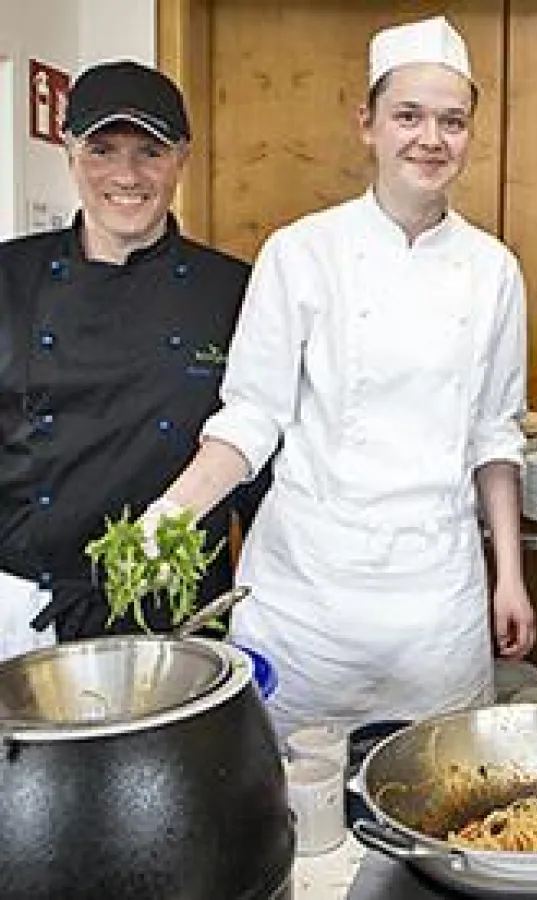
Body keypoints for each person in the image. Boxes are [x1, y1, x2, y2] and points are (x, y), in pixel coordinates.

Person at [140, 16, 536, 736]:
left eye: (452, 121)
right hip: (307, 600)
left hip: (435, 605)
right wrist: (171, 514)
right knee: (287, 802)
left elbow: (494, 434)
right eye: (407, 115)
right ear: (368, 123)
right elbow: (251, 416)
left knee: (441, 797)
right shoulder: (301, 253)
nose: (430, 138)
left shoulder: (492, 270)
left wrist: (508, 576)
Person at [0, 61, 262, 659]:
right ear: (68, 152)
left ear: (182, 158)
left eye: (150, 150)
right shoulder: (8, 277)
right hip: (24, 606)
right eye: (102, 149)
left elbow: (258, 461)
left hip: (179, 609)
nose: (126, 174)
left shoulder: (235, 291)